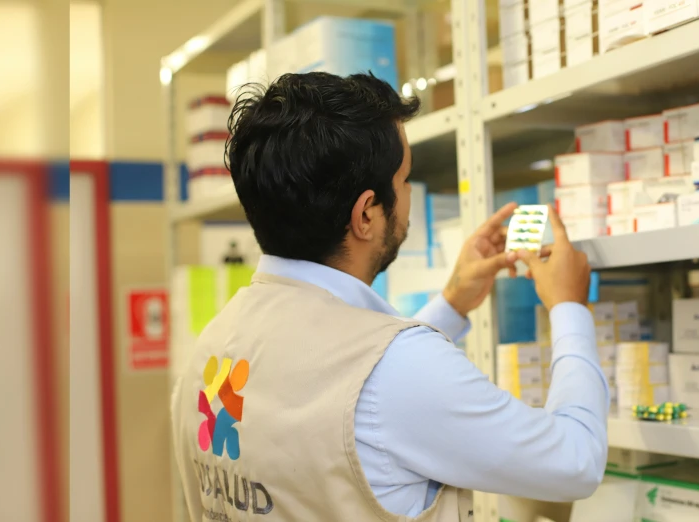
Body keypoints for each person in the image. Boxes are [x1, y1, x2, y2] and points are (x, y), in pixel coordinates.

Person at [171, 72, 608, 522]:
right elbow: (577, 460)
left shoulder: (209, 352)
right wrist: (569, 307)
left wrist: (452, 304)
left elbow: (350, 384)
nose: (406, 198)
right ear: (366, 214)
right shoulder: (401, 369)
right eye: (404, 181)